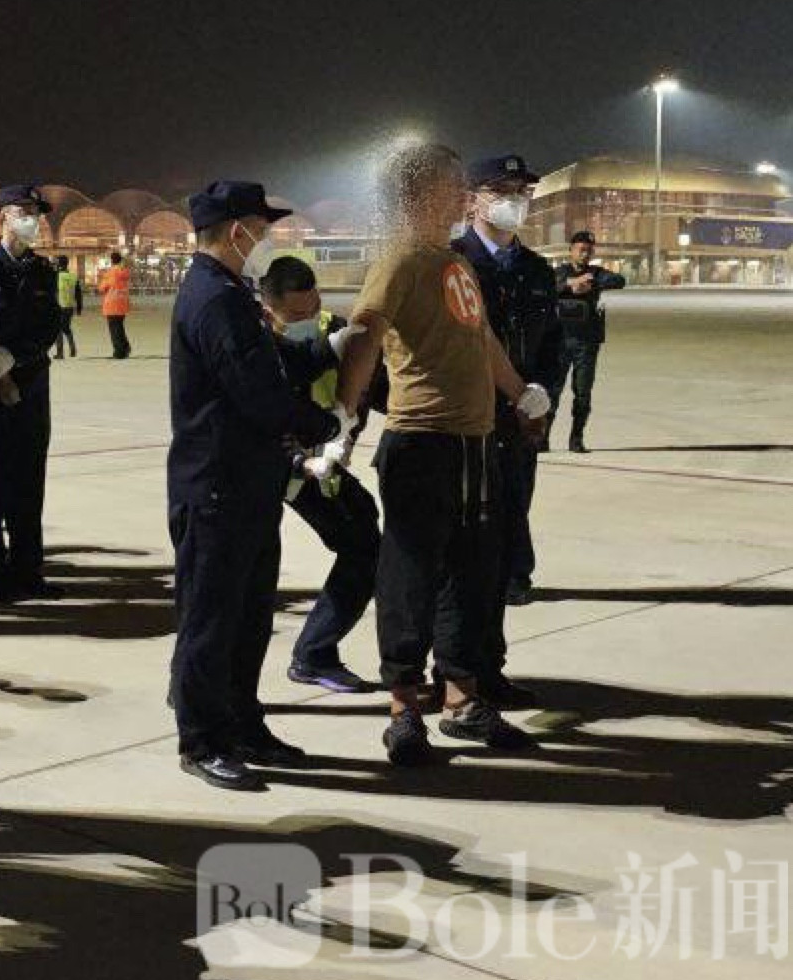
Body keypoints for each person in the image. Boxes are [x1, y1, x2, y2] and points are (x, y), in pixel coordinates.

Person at [333, 142, 551, 767]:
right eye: (451, 185)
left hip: (475, 445)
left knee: (471, 576)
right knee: (409, 578)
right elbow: (364, 333)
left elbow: (483, 340)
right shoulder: (401, 259)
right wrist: (343, 418)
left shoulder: (454, 263)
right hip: (421, 443)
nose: (462, 194)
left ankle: (462, 700)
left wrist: (521, 393)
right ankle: (404, 707)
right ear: (417, 194)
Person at [166, 183, 346, 791]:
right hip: (216, 486)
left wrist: (326, 348)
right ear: (235, 229)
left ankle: (242, 723)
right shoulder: (212, 298)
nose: (268, 236)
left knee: (247, 619)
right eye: (261, 226)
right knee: (211, 622)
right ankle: (201, 740)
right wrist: (325, 424)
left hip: (248, 484)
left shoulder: (231, 292)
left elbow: (272, 363)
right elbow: (257, 393)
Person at [259, 256, 381, 695]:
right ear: (268, 307)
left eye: (313, 308)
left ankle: (315, 653)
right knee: (246, 574)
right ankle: (310, 655)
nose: (309, 319)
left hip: (321, 466)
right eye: (296, 315)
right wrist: (300, 457)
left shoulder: (336, 330)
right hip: (280, 468)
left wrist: (344, 436)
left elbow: (367, 389)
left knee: (365, 539)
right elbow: (264, 411)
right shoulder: (255, 343)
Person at [453, 154, 561, 645]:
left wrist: (542, 393)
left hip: (524, 413)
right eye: (501, 192)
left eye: (522, 192)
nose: (515, 201)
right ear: (472, 199)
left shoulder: (536, 269)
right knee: (473, 512)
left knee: (517, 495)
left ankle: (515, 573)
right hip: (472, 412)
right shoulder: (453, 262)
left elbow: (553, 342)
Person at [0, 184, 63, 603]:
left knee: (31, 477)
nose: (32, 220)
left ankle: (28, 570)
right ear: (1, 216)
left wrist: (16, 358)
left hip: (33, 383)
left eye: (36, 213)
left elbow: (51, 326)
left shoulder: (42, 271)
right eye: (23, 211)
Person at [551, 230, 625, 453]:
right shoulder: (559, 272)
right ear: (571, 250)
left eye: (589, 250)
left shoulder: (596, 273)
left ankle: (576, 438)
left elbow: (619, 280)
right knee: (552, 391)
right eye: (581, 249)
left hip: (586, 342)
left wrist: (591, 281)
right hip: (559, 341)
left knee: (582, 393)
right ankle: (541, 437)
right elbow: (545, 286)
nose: (585, 254)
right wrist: (570, 284)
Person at [99, 250, 133, 358]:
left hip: (112, 303)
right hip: (122, 302)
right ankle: (125, 347)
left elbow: (102, 288)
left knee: (114, 329)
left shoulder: (110, 272)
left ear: (112, 260)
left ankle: (119, 351)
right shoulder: (125, 272)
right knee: (119, 327)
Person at [54, 255, 81, 358]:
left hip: (59, 306)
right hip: (70, 306)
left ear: (59, 264)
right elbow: (78, 293)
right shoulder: (73, 276)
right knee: (66, 328)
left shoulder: (57, 276)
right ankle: (72, 349)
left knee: (58, 329)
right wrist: (79, 307)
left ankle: (60, 353)